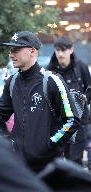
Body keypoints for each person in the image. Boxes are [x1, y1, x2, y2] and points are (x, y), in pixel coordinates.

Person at [0, 31, 80, 173]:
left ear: (32, 51)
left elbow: (72, 120)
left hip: (48, 167)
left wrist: (50, 144)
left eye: (16, 49)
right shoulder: (12, 82)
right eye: (10, 50)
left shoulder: (52, 81)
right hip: (19, 164)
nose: (11, 54)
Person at [47, 35, 91, 166]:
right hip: (59, 124)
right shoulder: (50, 70)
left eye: (63, 50)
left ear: (71, 50)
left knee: (75, 160)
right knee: (60, 159)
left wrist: (84, 99)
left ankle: (76, 185)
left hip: (79, 121)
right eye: (57, 50)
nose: (60, 54)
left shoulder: (81, 67)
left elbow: (89, 88)